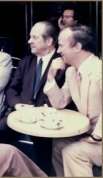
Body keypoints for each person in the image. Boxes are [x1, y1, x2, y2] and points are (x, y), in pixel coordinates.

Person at [0, 21, 69, 175]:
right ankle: (11, 165)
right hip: (22, 113)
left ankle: (43, 173)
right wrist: (18, 106)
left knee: (44, 147)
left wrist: (40, 112)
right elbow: (12, 89)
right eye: (30, 37)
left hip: (48, 118)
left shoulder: (63, 63)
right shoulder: (26, 61)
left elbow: (63, 98)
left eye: (34, 37)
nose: (29, 41)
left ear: (48, 41)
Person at [44, 24, 102, 176]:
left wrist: (96, 136)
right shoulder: (71, 72)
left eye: (61, 45)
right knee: (58, 144)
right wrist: (50, 77)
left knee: (73, 152)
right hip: (86, 134)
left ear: (77, 46)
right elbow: (59, 103)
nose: (58, 51)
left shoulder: (100, 70)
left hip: (99, 137)